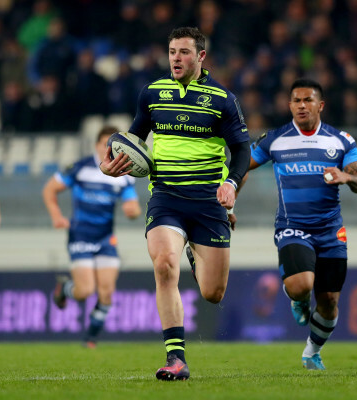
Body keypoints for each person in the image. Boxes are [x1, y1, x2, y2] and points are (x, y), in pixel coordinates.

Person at [99, 27, 250, 381]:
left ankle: (195, 252)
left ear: (201, 57)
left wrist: (230, 183)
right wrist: (110, 164)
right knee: (165, 265)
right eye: (171, 52)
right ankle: (176, 359)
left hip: (208, 202)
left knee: (213, 293)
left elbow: (242, 150)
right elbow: (132, 138)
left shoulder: (222, 99)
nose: (176, 58)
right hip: (166, 196)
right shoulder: (152, 93)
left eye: (184, 52)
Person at [232, 78, 357, 370]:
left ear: (320, 105)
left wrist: (347, 177)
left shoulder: (341, 140)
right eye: (296, 100)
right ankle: (297, 298)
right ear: (289, 105)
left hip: (331, 230)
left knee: (330, 301)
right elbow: (243, 167)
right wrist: (229, 202)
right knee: (301, 285)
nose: (301, 105)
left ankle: (312, 351)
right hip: (292, 226)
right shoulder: (276, 139)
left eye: (308, 100)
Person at [44, 126, 141, 348]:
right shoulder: (80, 168)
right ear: (97, 146)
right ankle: (65, 288)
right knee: (85, 291)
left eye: (114, 145)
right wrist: (57, 216)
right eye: (105, 144)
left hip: (106, 238)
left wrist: (133, 211)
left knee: (106, 292)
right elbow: (49, 189)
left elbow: (131, 205)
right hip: (80, 236)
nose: (109, 149)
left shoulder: (124, 175)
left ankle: (90, 339)